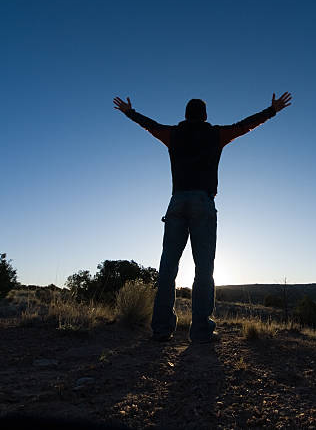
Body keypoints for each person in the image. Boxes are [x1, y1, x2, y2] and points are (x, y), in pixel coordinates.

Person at [113, 92, 292, 343]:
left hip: (177, 202)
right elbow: (244, 126)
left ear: (185, 115)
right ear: (205, 115)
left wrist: (130, 112)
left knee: (167, 269)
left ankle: (162, 329)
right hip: (202, 203)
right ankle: (200, 331)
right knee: (204, 268)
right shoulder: (215, 134)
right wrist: (271, 110)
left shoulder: (173, 135)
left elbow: (150, 126)